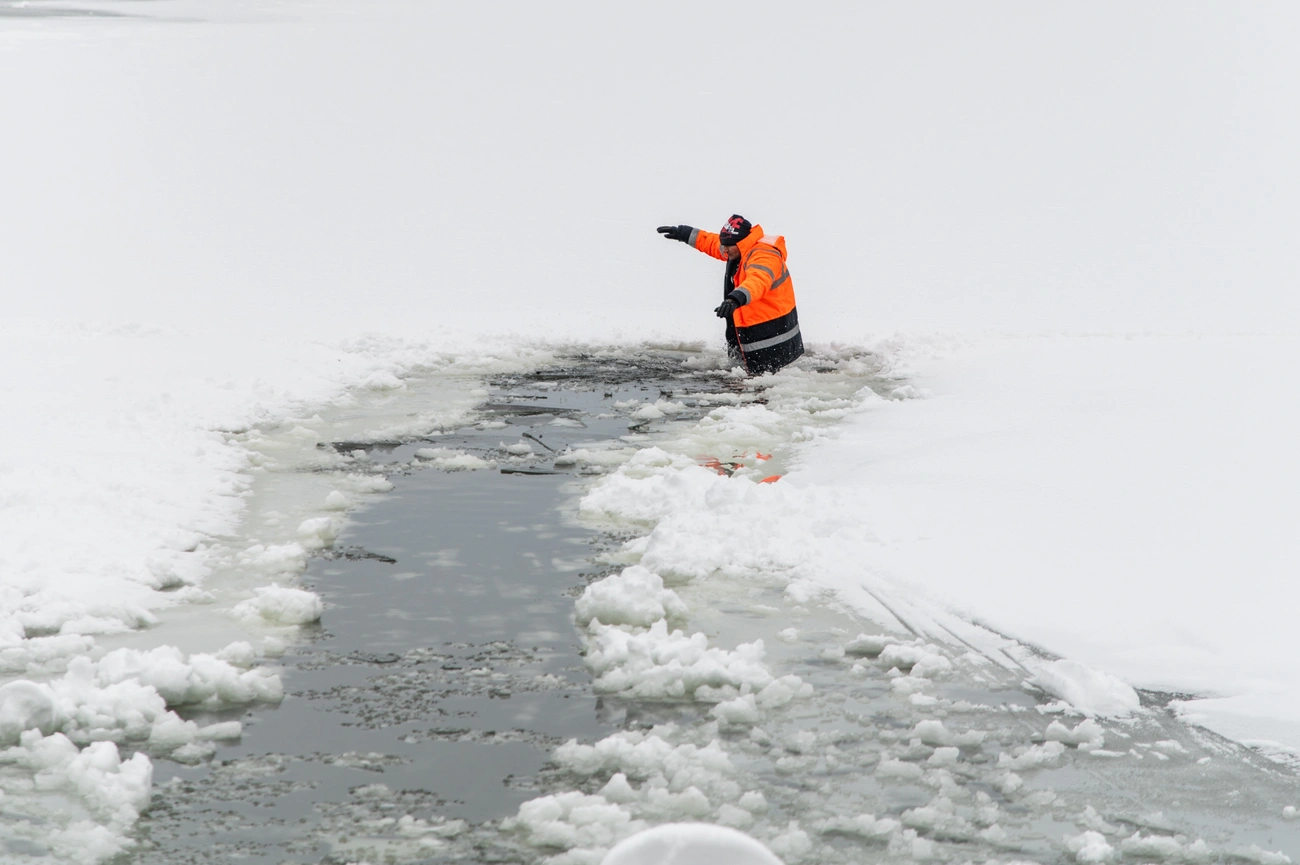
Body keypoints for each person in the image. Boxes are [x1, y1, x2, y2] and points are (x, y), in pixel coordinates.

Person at [657, 215, 804, 375]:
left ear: (741, 243)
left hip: (771, 335)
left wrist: (735, 298)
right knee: (741, 378)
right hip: (749, 329)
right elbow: (713, 243)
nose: (724, 250)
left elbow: (758, 281)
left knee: (760, 388)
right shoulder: (739, 249)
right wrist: (685, 234)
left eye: (728, 246)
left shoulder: (764, 255)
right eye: (724, 245)